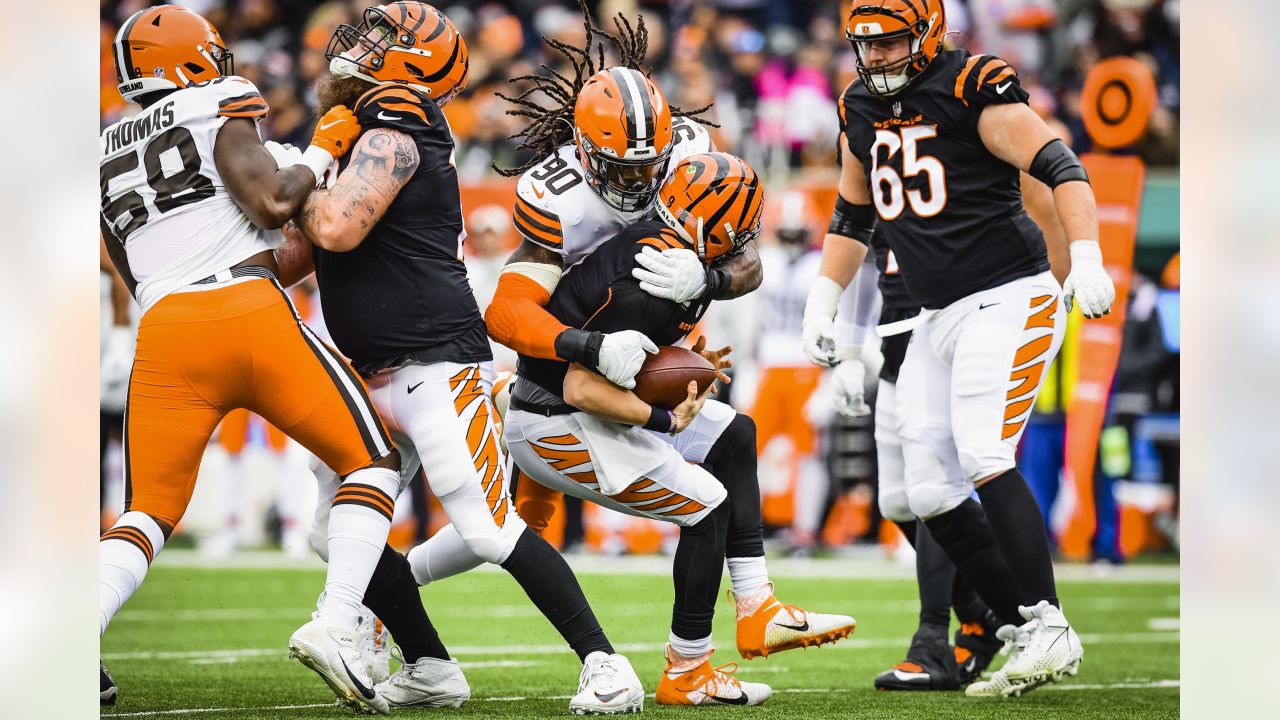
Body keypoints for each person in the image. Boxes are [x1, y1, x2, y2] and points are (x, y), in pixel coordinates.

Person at [295, 3, 642, 713]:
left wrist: (308, 163)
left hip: (434, 360)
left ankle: (606, 665)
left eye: (385, 37)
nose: (364, 43)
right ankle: (428, 666)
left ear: (412, 63)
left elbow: (328, 227)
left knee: (487, 526)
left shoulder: (398, 130)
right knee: (331, 530)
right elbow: (296, 244)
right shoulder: (367, 130)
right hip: (375, 364)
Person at [803, 0, 1115, 698]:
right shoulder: (858, 104)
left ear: (926, 34)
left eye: (889, 42)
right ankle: (1020, 628)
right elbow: (854, 213)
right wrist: (825, 308)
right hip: (935, 314)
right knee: (926, 492)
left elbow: (1060, 165)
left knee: (981, 455)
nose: (875, 56)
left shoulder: (971, 84)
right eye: (865, 43)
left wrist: (1088, 258)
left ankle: (1046, 617)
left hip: (1008, 296)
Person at [98, 5, 402, 713]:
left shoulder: (108, 148)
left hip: (166, 325)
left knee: (145, 513)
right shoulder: (214, 101)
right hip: (242, 310)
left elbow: (132, 266)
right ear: (191, 58)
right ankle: (337, 622)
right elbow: (270, 202)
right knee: (372, 463)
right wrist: (322, 148)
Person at [503, 152, 857, 706]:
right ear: (709, 226)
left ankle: (757, 605)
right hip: (552, 423)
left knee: (735, 433)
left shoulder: (674, 255)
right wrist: (665, 417)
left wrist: (677, 365)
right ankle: (687, 670)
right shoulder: (649, 279)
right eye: (738, 229)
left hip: (583, 407)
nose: (745, 240)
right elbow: (580, 386)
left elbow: (634, 359)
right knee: (707, 505)